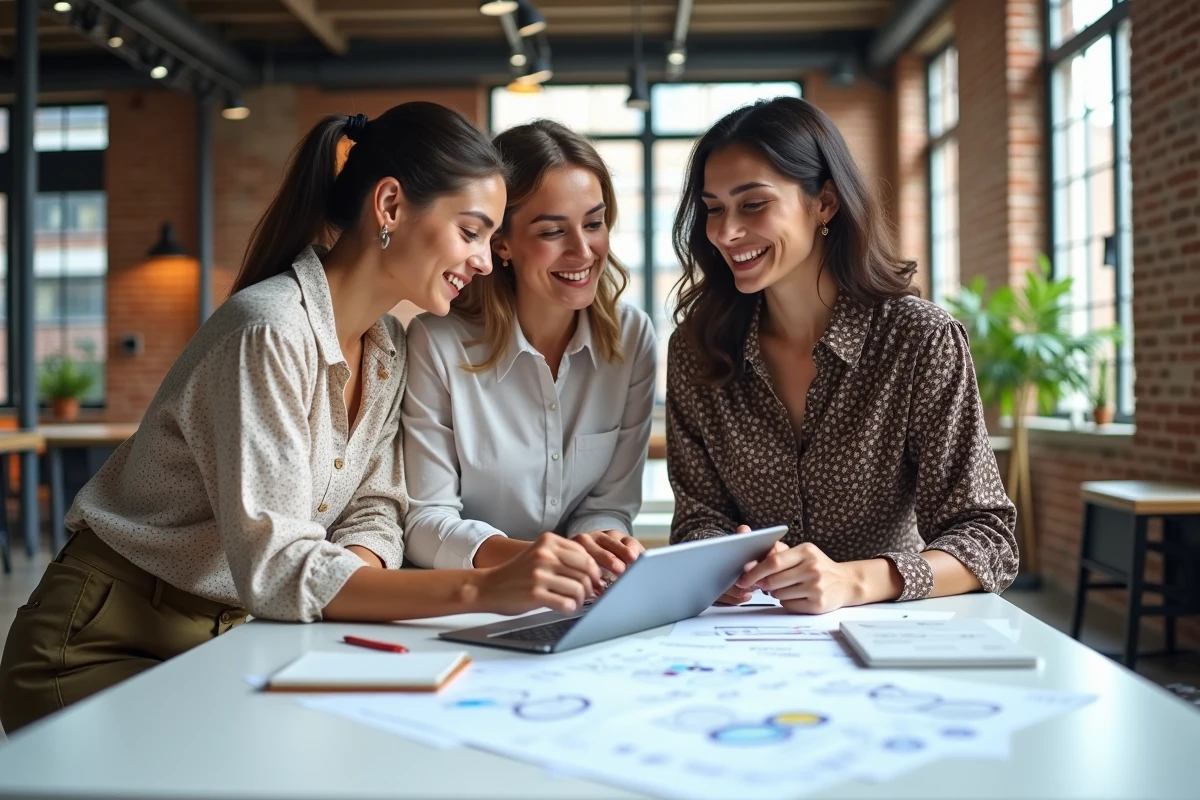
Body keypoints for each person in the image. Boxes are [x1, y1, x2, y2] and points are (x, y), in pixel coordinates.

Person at [0, 103, 603, 734]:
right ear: (391, 206)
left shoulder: (388, 347)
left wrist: (346, 589)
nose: (485, 261)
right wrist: (482, 590)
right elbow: (280, 568)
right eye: (471, 231)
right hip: (100, 639)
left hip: (231, 633)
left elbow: (374, 510)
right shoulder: (268, 330)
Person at [666, 96, 1017, 613]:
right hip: (747, 636)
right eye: (714, 209)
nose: (724, 232)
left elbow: (988, 540)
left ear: (824, 202)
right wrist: (719, 565)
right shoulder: (697, 349)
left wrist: (854, 582)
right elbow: (698, 518)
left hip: (888, 633)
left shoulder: (918, 340)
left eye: (754, 204)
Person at [402, 119, 656, 580]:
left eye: (594, 223)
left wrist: (604, 544)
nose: (583, 251)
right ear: (501, 243)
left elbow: (609, 506)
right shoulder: (435, 343)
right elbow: (425, 523)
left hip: (576, 595)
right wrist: (530, 560)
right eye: (552, 232)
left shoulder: (631, 338)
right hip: (464, 596)